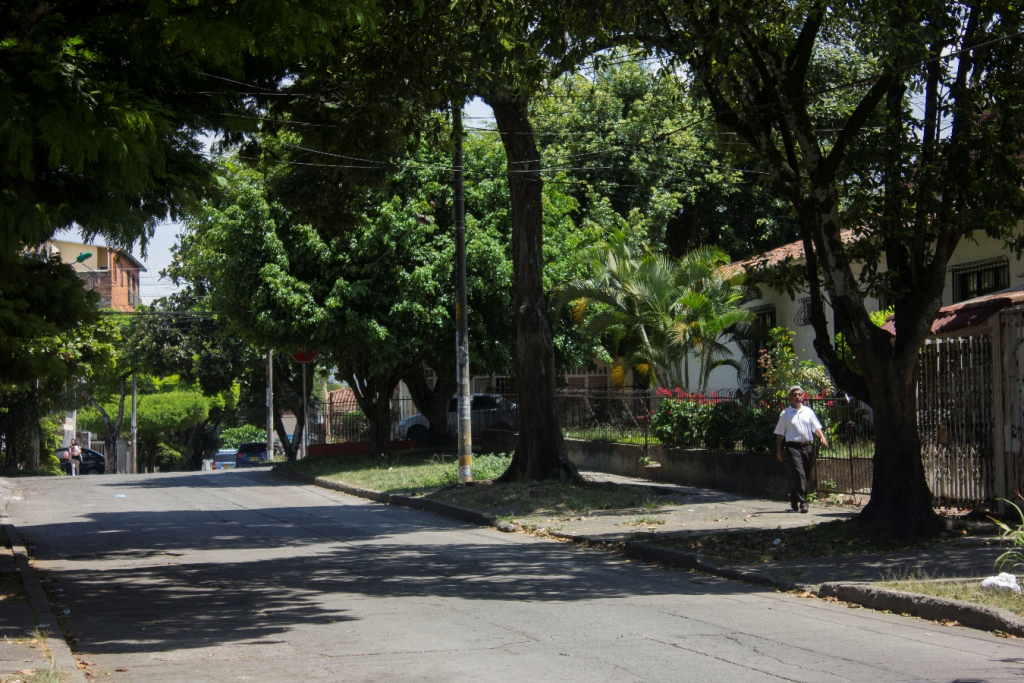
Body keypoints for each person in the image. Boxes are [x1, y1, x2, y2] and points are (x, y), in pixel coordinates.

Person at [774, 386, 827, 513]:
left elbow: (815, 427)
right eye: (794, 395)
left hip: (807, 446)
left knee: (805, 474)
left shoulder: (808, 411)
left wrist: (822, 437)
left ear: (803, 396)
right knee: (799, 473)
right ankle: (804, 502)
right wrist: (779, 450)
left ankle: (793, 497)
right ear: (790, 397)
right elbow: (779, 433)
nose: (797, 397)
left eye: (799, 395)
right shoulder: (785, 414)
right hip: (793, 446)